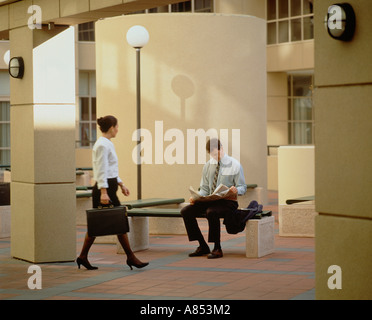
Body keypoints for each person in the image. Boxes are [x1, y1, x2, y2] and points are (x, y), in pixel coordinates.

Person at [76, 115, 149, 270]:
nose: (118, 129)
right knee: (117, 222)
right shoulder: (102, 145)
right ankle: (130, 257)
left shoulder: (106, 143)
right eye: (117, 126)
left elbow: (110, 169)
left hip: (109, 188)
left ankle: (83, 257)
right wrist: (103, 192)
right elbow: (101, 169)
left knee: (107, 224)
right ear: (111, 127)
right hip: (105, 190)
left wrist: (121, 184)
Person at [181, 138, 247, 259]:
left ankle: (217, 248)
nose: (215, 157)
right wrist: (196, 197)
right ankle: (202, 245)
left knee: (211, 212)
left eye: (216, 154)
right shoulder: (208, 166)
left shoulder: (235, 164)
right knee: (186, 211)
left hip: (228, 202)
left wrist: (236, 190)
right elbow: (205, 188)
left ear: (222, 148)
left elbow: (243, 187)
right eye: (212, 155)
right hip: (211, 200)